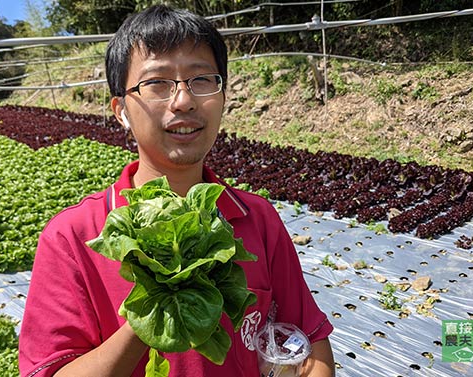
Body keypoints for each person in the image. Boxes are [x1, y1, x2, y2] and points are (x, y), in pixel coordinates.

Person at [19, 5, 334, 377]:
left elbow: (311, 343)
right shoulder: (76, 237)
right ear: (120, 109)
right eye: (157, 83)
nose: (183, 100)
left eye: (201, 80)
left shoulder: (258, 219)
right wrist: (154, 308)